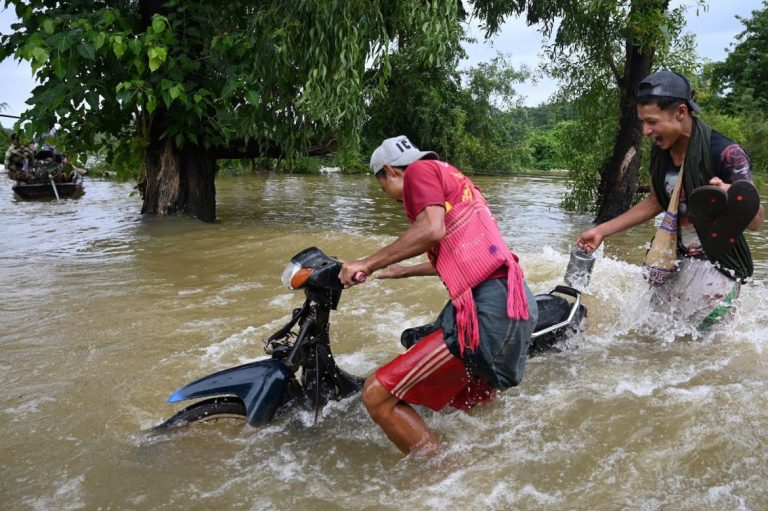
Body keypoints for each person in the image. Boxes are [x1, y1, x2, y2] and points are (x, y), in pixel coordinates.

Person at [339, 135, 538, 455]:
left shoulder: (418, 171)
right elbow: (474, 257)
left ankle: (438, 473)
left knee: (376, 395)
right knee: (472, 405)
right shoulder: (454, 178)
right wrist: (406, 270)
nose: (390, 199)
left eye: (383, 188)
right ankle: (480, 469)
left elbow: (431, 230)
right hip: (510, 305)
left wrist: (368, 263)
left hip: (487, 313)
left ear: (391, 170)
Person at [576, 70, 764, 330]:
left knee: (704, 354)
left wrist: (733, 196)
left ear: (681, 112)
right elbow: (655, 202)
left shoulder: (725, 153)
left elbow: (756, 221)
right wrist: (601, 231)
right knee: (650, 340)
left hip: (719, 269)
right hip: (675, 263)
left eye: (651, 121)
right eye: (642, 122)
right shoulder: (662, 151)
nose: (645, 131)